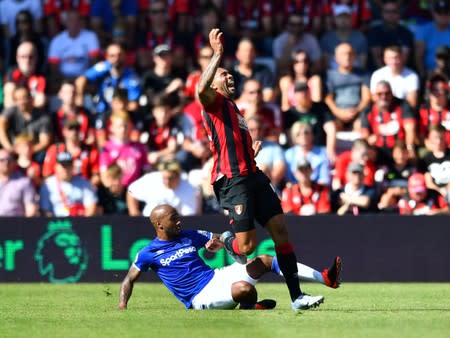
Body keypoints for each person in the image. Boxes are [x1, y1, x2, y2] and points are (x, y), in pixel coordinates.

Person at [197, 28, 324, 311]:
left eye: (230, 74)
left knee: (280, 230)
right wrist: (217, 55)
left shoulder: (233, 108)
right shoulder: (214, 103)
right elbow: (198, 90)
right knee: (247, 249)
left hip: (253, 175)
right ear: (214, 83)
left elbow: (228, 143)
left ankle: (297, 297)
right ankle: (228, 241)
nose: (229, 77)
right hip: (233, 181)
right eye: (223, 75)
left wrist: (249, 151)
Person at [118, 204, 342, 310]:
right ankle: (250, 307)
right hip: (199, 298)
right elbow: (129, 279)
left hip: (216, 277)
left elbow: (223, 238)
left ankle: (326, 278)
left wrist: (219, 244)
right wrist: (122, 305)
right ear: (159, 224)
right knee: (244, 289)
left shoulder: (189, 235)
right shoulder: (148, 252)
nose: (179, 221)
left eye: (177, 216)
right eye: (173, 218)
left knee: (264, 259)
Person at [127, 159, 201, 217]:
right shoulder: (151, 179)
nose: (167, 181)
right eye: (164, 178)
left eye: (171, 178)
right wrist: (134, 214)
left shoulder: (188, 189)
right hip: (148, 223)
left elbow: (188, 216)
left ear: (178, 176)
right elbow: (131, 192)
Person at [39, 151, 98, 217]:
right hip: (56, 224)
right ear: (56, 167)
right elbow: (45, 211)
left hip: (79, 221)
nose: (66, 169)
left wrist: (84, 223)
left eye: (68, 166)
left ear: (73, 167)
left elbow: (91, 207)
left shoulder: (84, 183)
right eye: (63, 166)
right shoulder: (48, 185)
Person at [0, 148, 38, 217]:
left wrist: (24, 225)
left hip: (15, 224)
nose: (6, 163)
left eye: (9, 160)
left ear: (13, 162)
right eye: (2, 160)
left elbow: (30, 208)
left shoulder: (24, 182)